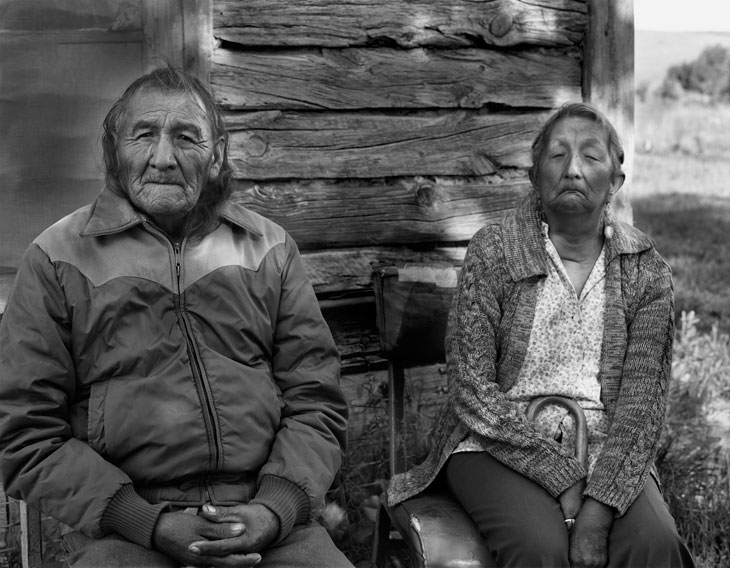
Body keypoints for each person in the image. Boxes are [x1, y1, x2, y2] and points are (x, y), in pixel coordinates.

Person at [0, 66, 353, 568]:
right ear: (113, 152)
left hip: (270, 519)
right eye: (143, 135)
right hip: (122, 531)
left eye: (186, 137)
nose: (163, 158)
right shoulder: (57, 258)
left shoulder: (269, 248)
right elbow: (26, 432)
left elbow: (317, 400)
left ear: (217, 156)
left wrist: (274, 510)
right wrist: (149, 522)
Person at [388, 102, 695, 567]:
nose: (573, 168)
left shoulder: (645, 271)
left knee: (654, 546)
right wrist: (563, 479)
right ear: (535, 175)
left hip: (609, 448)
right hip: (493, 441)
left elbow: (642, 408)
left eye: (591, 157)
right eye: (557, 156)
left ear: (615, 182)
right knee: (540, 550)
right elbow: (471, 391)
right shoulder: (494, 252)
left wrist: (596, 508)